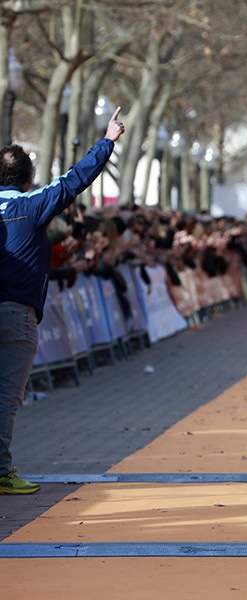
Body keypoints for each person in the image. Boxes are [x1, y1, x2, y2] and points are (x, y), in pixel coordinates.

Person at [0, 106, 127, 495]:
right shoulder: (29, 205)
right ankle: (1, 470)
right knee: (6, 396)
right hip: (15, 313)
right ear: (28, 179)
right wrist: (107, 142)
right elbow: (74, 180)